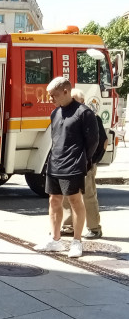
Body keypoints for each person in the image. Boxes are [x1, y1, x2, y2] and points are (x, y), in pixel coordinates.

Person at [34, 77, 99, 258]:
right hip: (55, 163)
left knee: (75, 201)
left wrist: (83, 160)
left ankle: (76, 242)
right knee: (53, 200)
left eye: (53, 95)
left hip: (74, 164)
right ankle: (55, 240)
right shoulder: (55, 113)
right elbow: (56, 139)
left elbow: (93, 141)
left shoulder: (84, 113)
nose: (50, 99)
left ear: (65, 91)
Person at [61, 88, 108, 239]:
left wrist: (93, 161)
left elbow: (103, 142)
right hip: (70, 163)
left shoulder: (91, 117)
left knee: (88, 196)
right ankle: (69, 227)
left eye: (75, 100)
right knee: (68, 196)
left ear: (82, 101)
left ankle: (94, 228)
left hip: (86, 163)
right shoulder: (66, 115)